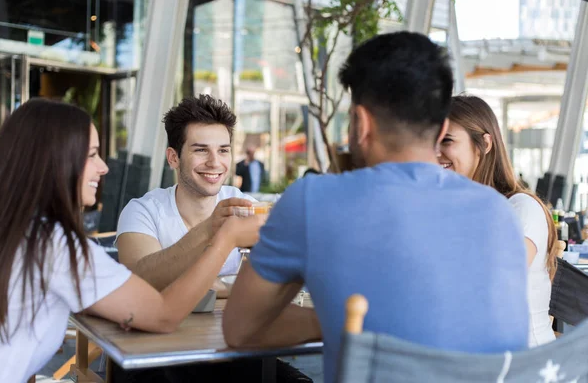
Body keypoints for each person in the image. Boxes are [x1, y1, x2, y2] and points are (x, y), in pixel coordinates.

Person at [223, 32, 530, 383]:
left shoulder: (313, 201)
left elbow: (241, 329)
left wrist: (343, 322)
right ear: (442, 126)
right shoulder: (499, 212)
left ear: (361, 122)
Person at [0, 99, 263, 382]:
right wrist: (222, 236)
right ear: (54, 162)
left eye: (223, 150)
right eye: (92, 154)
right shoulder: (56, 246)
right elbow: (162, 315)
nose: (104, 167)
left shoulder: (12, 231)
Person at [438, 94, 557, 347]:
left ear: (485, 143)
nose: (435, 153)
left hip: (524, 365)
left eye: (446, 141)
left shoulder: (521, 209)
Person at [117, 95, 256, 297]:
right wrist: (210, 228)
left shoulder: (243, 205)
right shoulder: (142, 212)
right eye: (201, 150)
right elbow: (139, 280)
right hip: (163, 327)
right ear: (174, 158)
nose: (215, 162)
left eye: (223, 150)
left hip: (230, 326)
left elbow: (275, 275)